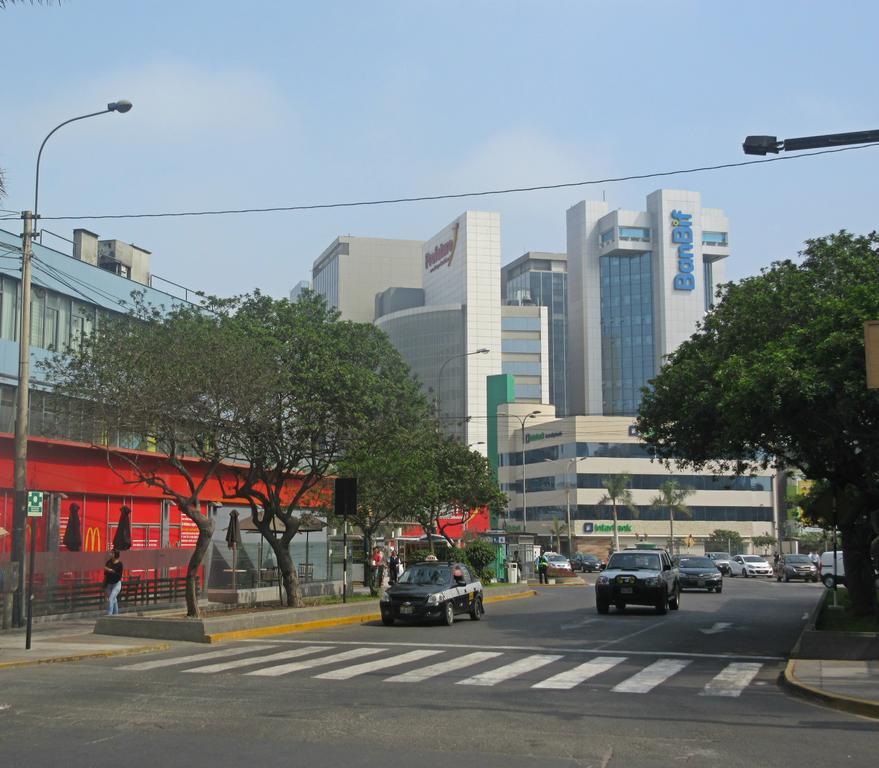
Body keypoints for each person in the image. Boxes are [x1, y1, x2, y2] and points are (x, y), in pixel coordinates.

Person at [103, 549, 124, 616]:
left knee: (111, 599)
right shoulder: (109, 562)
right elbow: (105, 573)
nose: (110, 554)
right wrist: (108, 570)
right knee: (114, 600)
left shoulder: (120, 564)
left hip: (116, 584)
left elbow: (119, 575)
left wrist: (111, 571)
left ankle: (109, 616)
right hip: (109, 584)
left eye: (112, 553)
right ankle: (116, 615)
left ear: (115, 554)